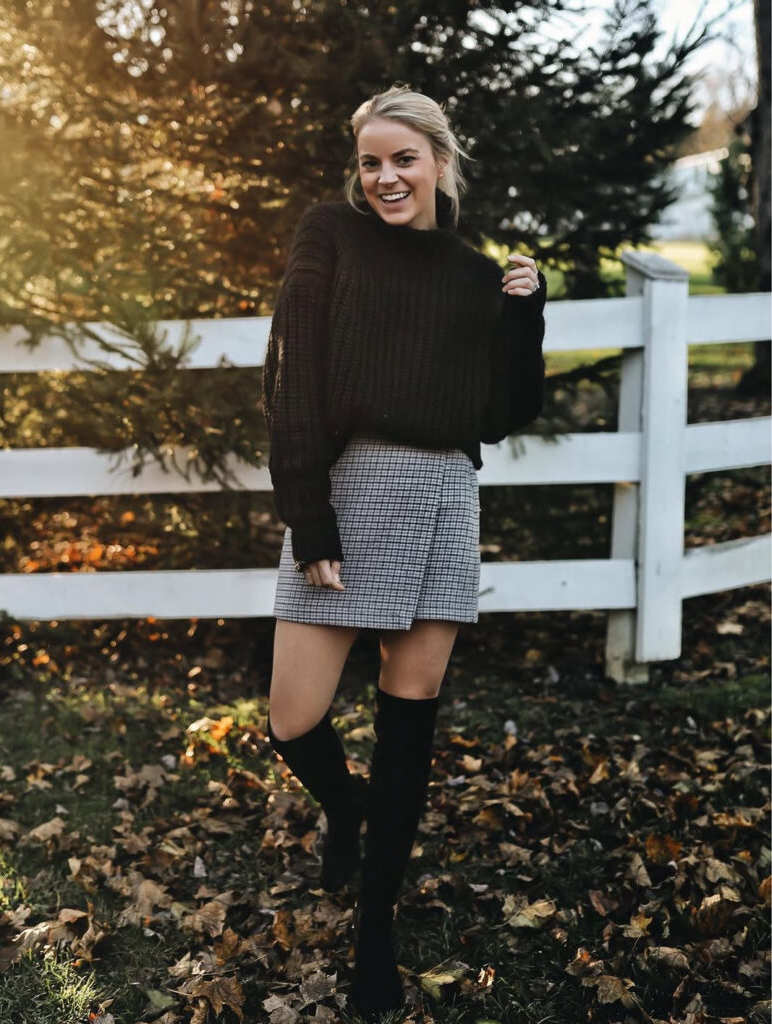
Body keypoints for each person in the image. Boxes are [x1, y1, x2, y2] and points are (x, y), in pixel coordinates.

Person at [260, 83, 546, 1022]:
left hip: (445, 493)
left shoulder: (471, 271)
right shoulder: (327, 236)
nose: (385, 177)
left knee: (406, 719)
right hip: (348, 487)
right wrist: (309, 512)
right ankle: (347, 813)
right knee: (293, 718)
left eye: (402, 159)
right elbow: (292, 371)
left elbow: (499, 418)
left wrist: (522, 319)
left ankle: (374, 930)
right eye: (371, 161)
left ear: (438, 162)